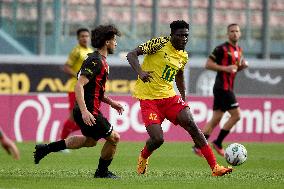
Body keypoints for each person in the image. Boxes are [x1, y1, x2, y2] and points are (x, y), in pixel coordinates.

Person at [126, 20, 232, 176]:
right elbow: (131, 54)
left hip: (169, 97)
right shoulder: (159, 43)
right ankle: (143, 156)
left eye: (186, 35)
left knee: (191, 124)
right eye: (180, 35)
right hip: (148, 98)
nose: (184, 39)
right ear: (172, 35)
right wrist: (141, 73)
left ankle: (215, 167)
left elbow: (179, 74)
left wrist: (183, 97)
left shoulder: (183, 55)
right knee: (157, 139)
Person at [33, 25, 124, 179]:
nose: (116, 43)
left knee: (90, 142)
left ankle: (46, 148)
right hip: (88, 110)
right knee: (114, 137)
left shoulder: (99, 60)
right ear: (107, 42)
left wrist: (111, 102)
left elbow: (96, 90)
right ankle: (101, 173)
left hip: (87, 109)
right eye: (114, 40)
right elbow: (79, 85)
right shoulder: (96, 61)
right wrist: (84, 111)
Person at [192, 23, 248, 157]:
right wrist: (225, 68)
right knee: (236, 115)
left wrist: (241, 67)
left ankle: (198, 146)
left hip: (227, 87)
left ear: (240, 34)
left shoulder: (239, 50)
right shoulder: (221, 48)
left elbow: (234, 69)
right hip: (222, 88)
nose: (235, 33)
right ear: (228, 34)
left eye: (237, 31)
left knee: (216, 118)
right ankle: (218, 142)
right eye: (232, 31)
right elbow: (208, 64)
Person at [61, 28, 93, 140]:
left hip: (86, 89)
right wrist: (78, 75)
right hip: (74, 88)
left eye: (86, 36)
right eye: (82, 36)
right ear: (78, 38)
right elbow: (66, 67)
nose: (85, 38)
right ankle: (62, 142)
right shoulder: (76, 51)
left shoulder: (91, 51)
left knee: (86, 117)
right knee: (73, 117)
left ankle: (63, 139)